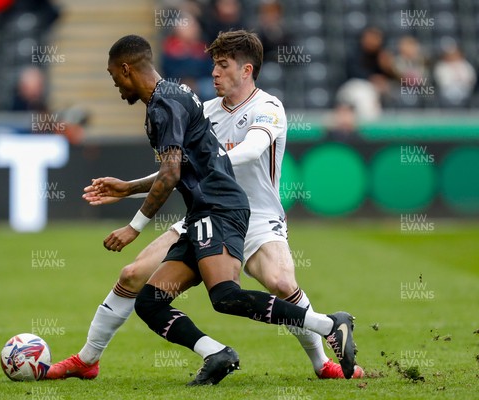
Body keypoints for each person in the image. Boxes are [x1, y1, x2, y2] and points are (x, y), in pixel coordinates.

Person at [46, 34, 359, 385]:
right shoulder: (204, 109)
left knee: (280, 283)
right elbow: (177, 167)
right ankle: (88, 359)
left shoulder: (267, 107)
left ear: (246, 69)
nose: (214, 73)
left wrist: (201, 165)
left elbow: (250, 150)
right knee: (135, 277)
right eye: (213, 64)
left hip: (254, 215)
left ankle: (322, 359)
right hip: (203, 209)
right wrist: (131, 188)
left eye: (223, 65)